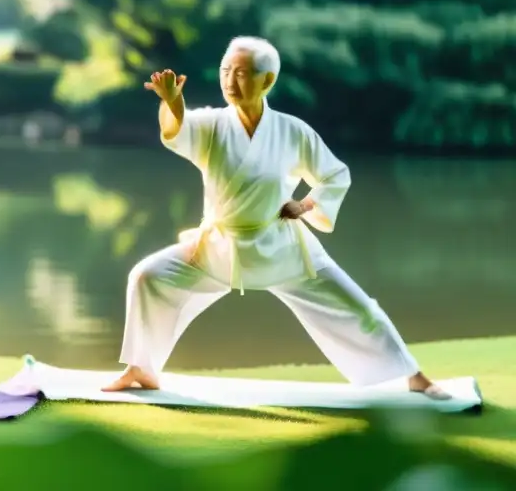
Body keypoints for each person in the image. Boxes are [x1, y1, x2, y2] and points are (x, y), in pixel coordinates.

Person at [102, 36, 449, 400]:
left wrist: (305, 205)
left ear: (266, 80)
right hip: (220, 248)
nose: (229, 80)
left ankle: (414, 376)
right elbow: (178, 131)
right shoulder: (212, 125)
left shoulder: (292, 131)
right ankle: (141, 368)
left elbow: (335, 175)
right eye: (225, 71)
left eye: (240, 73)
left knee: (361, 309)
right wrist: (173, 103)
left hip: (282, 247)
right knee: (147, 276)